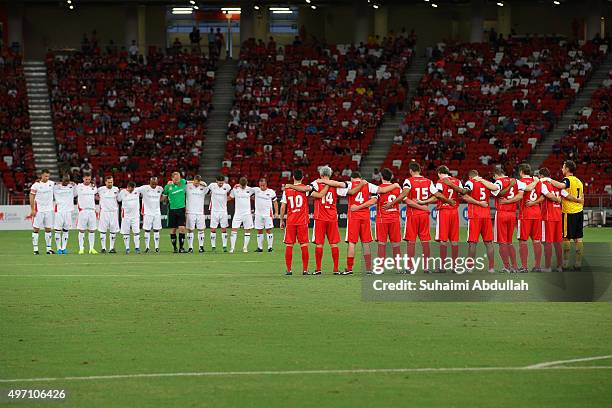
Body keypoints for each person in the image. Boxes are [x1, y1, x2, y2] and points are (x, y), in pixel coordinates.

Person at [286, 166, 347, 275]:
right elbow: (346, 188)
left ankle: (318, 269)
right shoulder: (335, 184)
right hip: (332, 217)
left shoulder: (315, 183)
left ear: (320, 174)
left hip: (320, 217)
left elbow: (305, 189)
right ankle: (336, 269)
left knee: (319, 244)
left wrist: (290, 186)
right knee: (334, 244)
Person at [321, 171, 379, 274]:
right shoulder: (368, 184)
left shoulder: (349, 184)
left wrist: (323, 181)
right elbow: (379, 192)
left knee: (352, 242)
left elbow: (338, 184)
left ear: (352, 178)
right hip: (365, 216)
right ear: (360, 178)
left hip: (353, 216)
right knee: (365, 243)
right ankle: (369, 269)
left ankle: (349, 268)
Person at [386, 162, 438, 273]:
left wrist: (392, 203)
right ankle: (426, 267)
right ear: (420, 170)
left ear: (410, 171)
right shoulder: (429, 182)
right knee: (425, 241)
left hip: (413, 214)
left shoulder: (408, 181)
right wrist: (424, 203)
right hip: (424, 215)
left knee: (411, 241)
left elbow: (404, 195)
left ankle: (410, 267)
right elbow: (436, 196)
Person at [443, 169, 495, 273]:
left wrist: (450, 184)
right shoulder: (486, 183)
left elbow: (463, 192)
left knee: (472, 243)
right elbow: (495, 188)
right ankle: (491, 268)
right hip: (486, 215)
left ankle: (469, 267)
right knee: (489, 243)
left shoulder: (470, 182)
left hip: (475, 215)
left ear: (470, 177)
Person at [538, 160, 585, 270]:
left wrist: (548, 179)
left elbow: (562, 187)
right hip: (579, 211)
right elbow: (581, 196)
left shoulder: (567, 179)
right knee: (578, 238)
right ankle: (578, 263)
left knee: (566, 238)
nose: (562, 169)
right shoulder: (579, 181)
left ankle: (564, 264)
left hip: (569, 212)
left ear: (567, 169)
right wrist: (579, 201)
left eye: (563, 167)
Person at [422, 166, 461, 272]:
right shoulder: (457, 181)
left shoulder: (440, 181)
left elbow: (437, 196)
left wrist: (424, 202)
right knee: (454, 240)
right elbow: (462, 194)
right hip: (454, 211)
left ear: (439, 173)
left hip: (444, 211)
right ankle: (455, 267)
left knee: (443, 240)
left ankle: (443, 267)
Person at [279, 169, 311, 275]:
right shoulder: (305, 189)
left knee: (289, 245)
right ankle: (305, 270)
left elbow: (283, 206)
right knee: (304, 245)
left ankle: (289, 270)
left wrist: (281, 220)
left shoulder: (287, 190)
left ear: (293, 177)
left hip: (291, 221)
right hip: (302, 221)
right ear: (302, 177)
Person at [517, 163, 543, 272]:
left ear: (521, 172)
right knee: (537, 241)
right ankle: (537, 266)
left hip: (525, 214)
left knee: (523, 241)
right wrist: (535, 202)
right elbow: (543, 196)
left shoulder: (520, 182)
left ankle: (524, 267)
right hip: (537, 213)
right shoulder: (538, 182)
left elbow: (521, 194)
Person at [30, 169, 55, 255]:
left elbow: (62, 185)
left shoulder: (52, 184)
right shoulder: (35, 185)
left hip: (49, 210)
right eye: (45, 176)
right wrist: (32, 209)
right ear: (41, 175)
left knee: (48, 229)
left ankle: (49, 249)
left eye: (48, 176)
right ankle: (35, 249)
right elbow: (31, 197)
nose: (47, 178)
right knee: (36, 229)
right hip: (39, 210)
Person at [136, 177, 164, 253]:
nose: (154, 185)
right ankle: (147, 247)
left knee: (156, 230)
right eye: (153, 184)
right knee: (147, 230)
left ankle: (157, 247)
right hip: (147, 213)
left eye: (155, 183)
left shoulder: (160, 188)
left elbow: (164, 195)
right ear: (150, 182)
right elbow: (134, 190)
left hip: (157, 212)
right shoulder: (144, 188)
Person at [252, 177, 278, 252]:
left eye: (263, 185)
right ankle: (260, 247)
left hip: (268, 214)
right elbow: (246, 188)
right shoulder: (256, 190)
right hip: (258, 214)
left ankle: (270, 247)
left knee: (268, 230)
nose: (262, 187)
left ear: (266, 184)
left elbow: (275, 202)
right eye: (260, 185)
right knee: (259, 230)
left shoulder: (271, 192)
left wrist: (276, 212)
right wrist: (238, 185)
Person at [163, 172, 187, 253]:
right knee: (173, 229)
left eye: (178, 178)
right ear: (172, 178)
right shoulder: (167, 187)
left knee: (182, 228)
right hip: (172, 209)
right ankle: (175, 248)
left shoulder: (183, 182)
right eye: (176, 179)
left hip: (181, 209)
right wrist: (166, 200)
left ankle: (181, 248)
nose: (177, 180)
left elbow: (192, 182)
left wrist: (200, 182)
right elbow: (164, 198)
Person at [229, 177, 255, 253]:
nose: (243, 187)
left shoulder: (250, 190)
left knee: (248, 230)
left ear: (246, 184)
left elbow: (257, 193)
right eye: (241, 186)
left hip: (247, 214)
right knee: (234, 229)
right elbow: (230, 197)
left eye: (244, 186)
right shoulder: (235, 189)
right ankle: (232, 248)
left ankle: (245, 248)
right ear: (239, 184)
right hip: (238, 213)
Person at [53, 174, 76, 254]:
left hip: (68, 212)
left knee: (66, 231)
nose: (66, 182)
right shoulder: (55, 187)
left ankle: (64, 248)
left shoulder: (72, 186)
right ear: (61, 180)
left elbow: (77, 193)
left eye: (68, 180)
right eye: (65, 180)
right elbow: (47, 185)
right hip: (59, 211)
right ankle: (59, 248)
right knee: (58, 231)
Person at [75, 172, 98, 254]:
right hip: (83, 210)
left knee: (92, 230)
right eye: (86, 179)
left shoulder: (94, 187)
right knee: (81, 230)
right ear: (83, 178)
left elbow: (97, 195)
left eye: (89, 179)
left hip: (92, 211)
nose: (87, 180)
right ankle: (81, 248)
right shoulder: (78, 186)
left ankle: (91, 248)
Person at [208, 175, 232, 252]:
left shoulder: (227, 186)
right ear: (216, 181)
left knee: (224, 229)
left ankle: (224, 246)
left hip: (223, 211)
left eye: (222, 183)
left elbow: (232, 192)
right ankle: (213, 247)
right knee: (213, 229)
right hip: (214, 211)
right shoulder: (212, 185)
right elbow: (206, 190)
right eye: (219, 183)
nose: (221, 184)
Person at [185, 175, 208, 253]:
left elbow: (207, 188)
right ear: (193, 180)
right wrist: (190, 182)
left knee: (201, 230)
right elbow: (180, 183)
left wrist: (202, 183)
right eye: (195, 182)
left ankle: (201, 247)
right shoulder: (187, 186)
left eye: (198, 182)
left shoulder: (203, 187)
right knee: (190, 230)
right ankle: (190, 247)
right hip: (190, 212)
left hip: (200, 212)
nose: (196, 184)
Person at [97, 175, 120, 254]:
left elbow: (119, 199)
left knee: (113, 230)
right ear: (105, 182)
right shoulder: (100, 189)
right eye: (109, 182)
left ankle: (111, 248)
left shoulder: (116, 189)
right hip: (104, 212)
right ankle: (103, 248)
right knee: (103, 230)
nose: (110, 184)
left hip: (113, 212)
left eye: (111, 182)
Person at [118, 182, 141, 254]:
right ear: (128, 187)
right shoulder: (122, 192)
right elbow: (118, 200)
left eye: (133, 189)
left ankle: (137, 248)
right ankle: (127, 248)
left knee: (136, 232)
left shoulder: (137, 191)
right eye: (131, 189)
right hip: (126, 216)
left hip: (135, 216)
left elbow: (147, 187)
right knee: (126, 233)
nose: (132, 190)